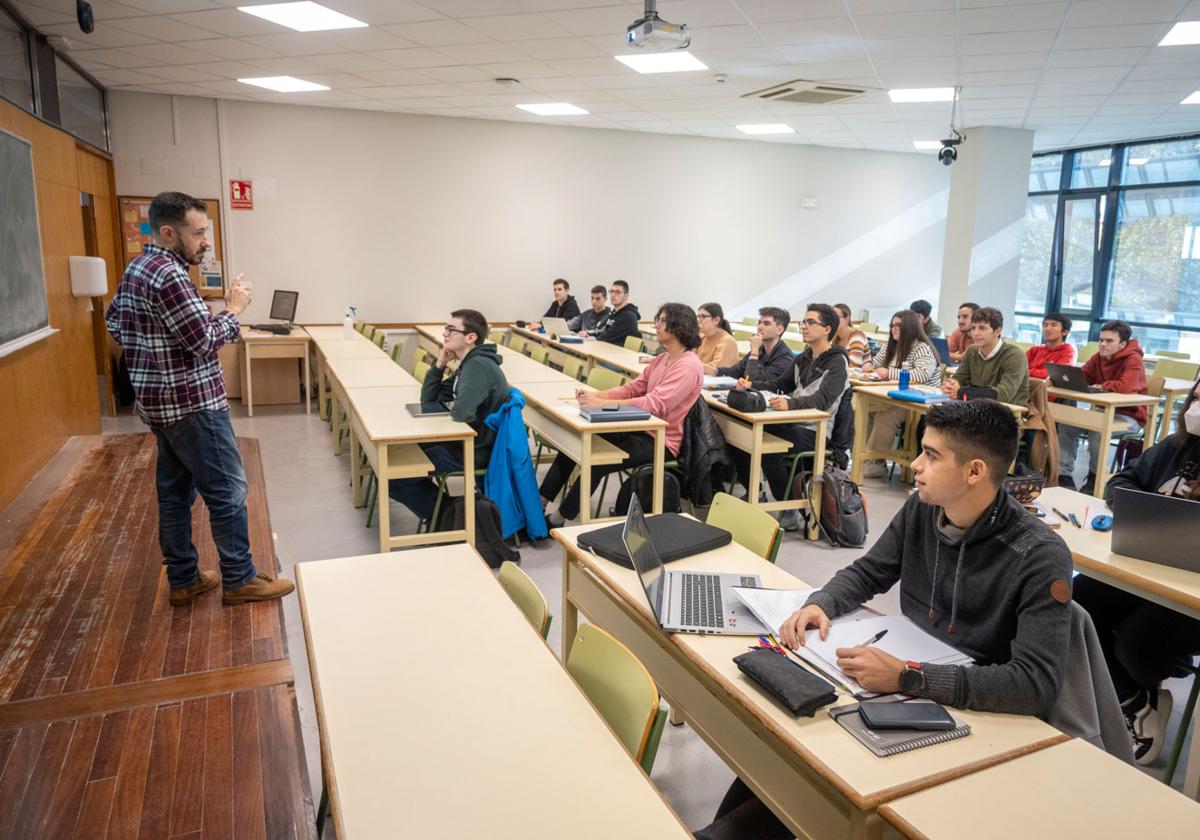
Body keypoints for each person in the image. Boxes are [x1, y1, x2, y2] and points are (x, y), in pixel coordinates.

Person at [696, 400, 1072, 840]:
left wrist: (909, 678)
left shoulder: (1039, 555)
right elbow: (871, 569)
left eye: (931, 455)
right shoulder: (924, 509)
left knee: (816, 773)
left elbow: (1036, 685)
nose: (915, 465)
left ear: (974, 472)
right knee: (788, 745)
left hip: (975, 722)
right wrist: (824, 602)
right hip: (906, 689)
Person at [105, 191, 293, 607]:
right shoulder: (171, 275)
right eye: (199, 232)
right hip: (194, 405)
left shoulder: (138, 266)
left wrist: (152, 353)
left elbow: (115, 321)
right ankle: (240, 580)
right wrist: (234, 308)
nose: (206, 241)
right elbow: (204, 341)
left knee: (174, 494)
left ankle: (185, 578)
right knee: (227, 490)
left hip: (159, 405)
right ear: (169, 233)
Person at [1074, 377, 1200, 765]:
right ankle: (1135, 700)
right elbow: (1123, 480)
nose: (1198, 403)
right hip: (1149, 563)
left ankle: (1135, 689)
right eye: (1198, 395)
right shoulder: (1178, 445)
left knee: (1134, 642)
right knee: (1075, 604)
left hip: (1191, 590)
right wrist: (1146, 509)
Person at [541, 303, 702, 524]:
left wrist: (601, 405)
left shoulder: (689, 366)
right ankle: (538, 505)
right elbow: (633, 388)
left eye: (663, 320)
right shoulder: (663, 359)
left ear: (680, 326)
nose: (657, 324)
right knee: (576, 444)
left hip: (660, 440)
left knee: (596, 460)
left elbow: (655, 404)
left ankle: (558, 518)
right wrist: (598, 396)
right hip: (636, 427)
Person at [728, 304, 850, 531]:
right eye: (803, 322)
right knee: (741, 432)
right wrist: (750, 385)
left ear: (826, 329)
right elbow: (778, 385)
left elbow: (823, 400)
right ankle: (759, 493)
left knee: (769, 447)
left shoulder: (837, 362)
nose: (803, 326)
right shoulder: (804, 357)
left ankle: (789, 510)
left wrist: (791, 403)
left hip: (818, 430)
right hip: (795, 422)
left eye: (810, 322)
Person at [389, 309, 508, 522]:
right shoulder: (468, 365)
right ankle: (450, 515)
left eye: (451, 330)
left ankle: (447, 518)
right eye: (446, 328)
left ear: (471, 337)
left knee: (394, 475)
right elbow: (428, 400)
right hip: (460, 443)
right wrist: (440, 364)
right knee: (394, 459)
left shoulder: (478, 366)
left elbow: (461, 413)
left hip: (472, 450)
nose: (444, 333)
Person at [1057, 319, 1148, 494]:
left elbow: (1127, 387)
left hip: (1131, 417)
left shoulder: (1133, 359)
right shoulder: (1098, 357)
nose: (1103, 344)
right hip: (1104, 411)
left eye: (1109, 341)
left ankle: (1094, 477)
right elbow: (1083, 377)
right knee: (1067, 425)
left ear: (1122, 344)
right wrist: (1063, 379)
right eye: (1101, 340)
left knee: (1098, 430)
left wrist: (1104, 385)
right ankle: (1064, 475)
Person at [858, 310, 943, 478]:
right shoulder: (891, 346)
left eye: (899, 326)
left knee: (886, 416)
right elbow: (876, 365)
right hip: (895, 397)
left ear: (910, 328)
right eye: (892, 326)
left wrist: (890, 373)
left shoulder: (922, 347)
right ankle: (865, 458)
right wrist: (868, 365)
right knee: (866, 410)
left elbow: (921, 376)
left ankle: (876, 462)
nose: (894, 329)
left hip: (920, 402)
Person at [942, 306, 1030, 406]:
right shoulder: (972, 351)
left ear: (997, 331)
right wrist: (950, 385)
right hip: (976, 407)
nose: (975, 333)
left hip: (1009, 412)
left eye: (982, 328)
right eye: (973, 328)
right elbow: (960, 377)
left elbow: (1003, 394)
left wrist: (962, 391)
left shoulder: (1015, 355)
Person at [714, 307, 794, 388]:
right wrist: (715, 371)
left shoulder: (785, 358)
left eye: (766, 324)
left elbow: (753, 380)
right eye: (759, 323)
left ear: (779, 330)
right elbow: (737, 371)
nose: (760, 327)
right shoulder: (760, 348)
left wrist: (754, 351)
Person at [583, 280, 641, 346]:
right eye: (612, 291)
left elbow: (607, 337)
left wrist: (589, 339)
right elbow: (604, 332)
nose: (613, 295)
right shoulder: (614, 313)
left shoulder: (628, 316)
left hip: (620, 353)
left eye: (617, 292)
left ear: (626, 296)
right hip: (609, 350)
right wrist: (588, 334)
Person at [1026, 312, 1077, 380]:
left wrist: (1029, 371)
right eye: (1045, 325)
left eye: (1053, 325)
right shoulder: (1035, 349)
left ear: (1065, 332)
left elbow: (1058, 374)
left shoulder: (1069, 351)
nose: (1047, 329)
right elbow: (1016, 367)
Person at [697, 302, 739, 370]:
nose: (698, 320)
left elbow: (713, 369)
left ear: (716, 320)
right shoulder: (702, 337)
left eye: (703, 316)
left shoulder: (727, 341)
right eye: (698, 316)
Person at [832, 303, 869, 369]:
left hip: (858, 376)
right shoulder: (835, 336)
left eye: (836, 316)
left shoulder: (857, 335)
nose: (832, 320)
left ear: (847, 318)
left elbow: (854, 364)